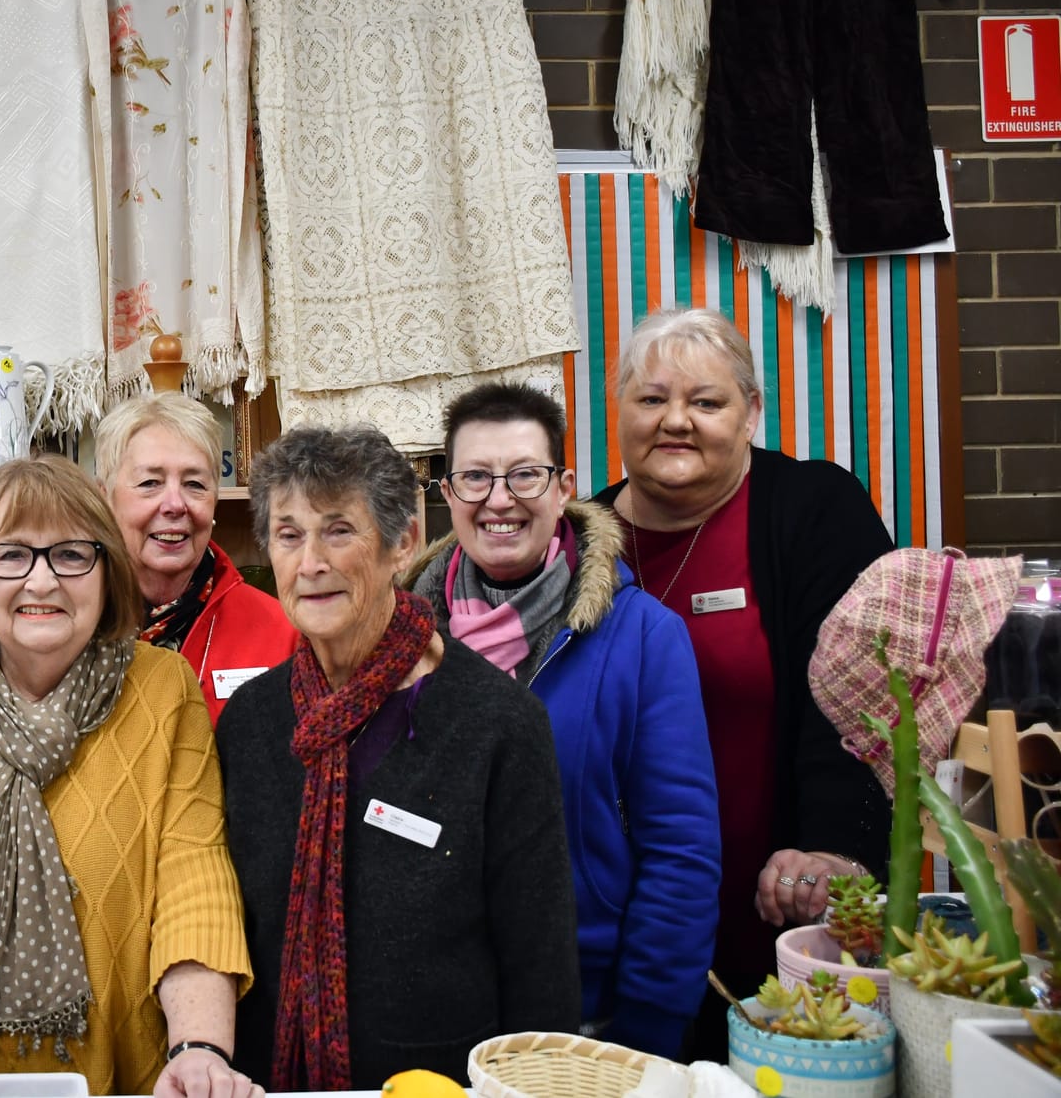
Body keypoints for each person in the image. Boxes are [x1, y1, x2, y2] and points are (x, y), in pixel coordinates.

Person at [0, 456, 258, 1098]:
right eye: (11, 555)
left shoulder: (160, 693)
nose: (40, 581)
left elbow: (194, 877)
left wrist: (200, 1047)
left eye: (71, 554)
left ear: (108, 571)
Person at [217, 425, 579, 1089]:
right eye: (290, 535)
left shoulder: (497, 722)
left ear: (402, 542)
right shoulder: (251, 723)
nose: (311, 562)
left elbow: (541, 968)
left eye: (339, 530)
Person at [405, 382, 720, 1060]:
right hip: (428, 1013)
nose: (499, 498)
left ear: (562, 486)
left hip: (592, 1018)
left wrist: (646, 1033)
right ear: (448, 493)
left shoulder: (642, 637)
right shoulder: (399, 640)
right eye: (475, 477)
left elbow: (682, 854)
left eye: (524, 473)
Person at [593, 307, 893, 1004]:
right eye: (651, 398)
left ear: (751, 412)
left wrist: (836, 851)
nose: (676, 420)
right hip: (624, 921)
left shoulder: (815, 508)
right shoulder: (583, 540)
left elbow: (866, 700)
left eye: (706, 401)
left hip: (783, 902)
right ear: (620, 411)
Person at [95, 393, 295, 723]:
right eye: (150, 483)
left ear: (214, 500)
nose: (175, 504)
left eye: (194, 484)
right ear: (104, 500)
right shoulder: (70, 628)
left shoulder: (284, 633)